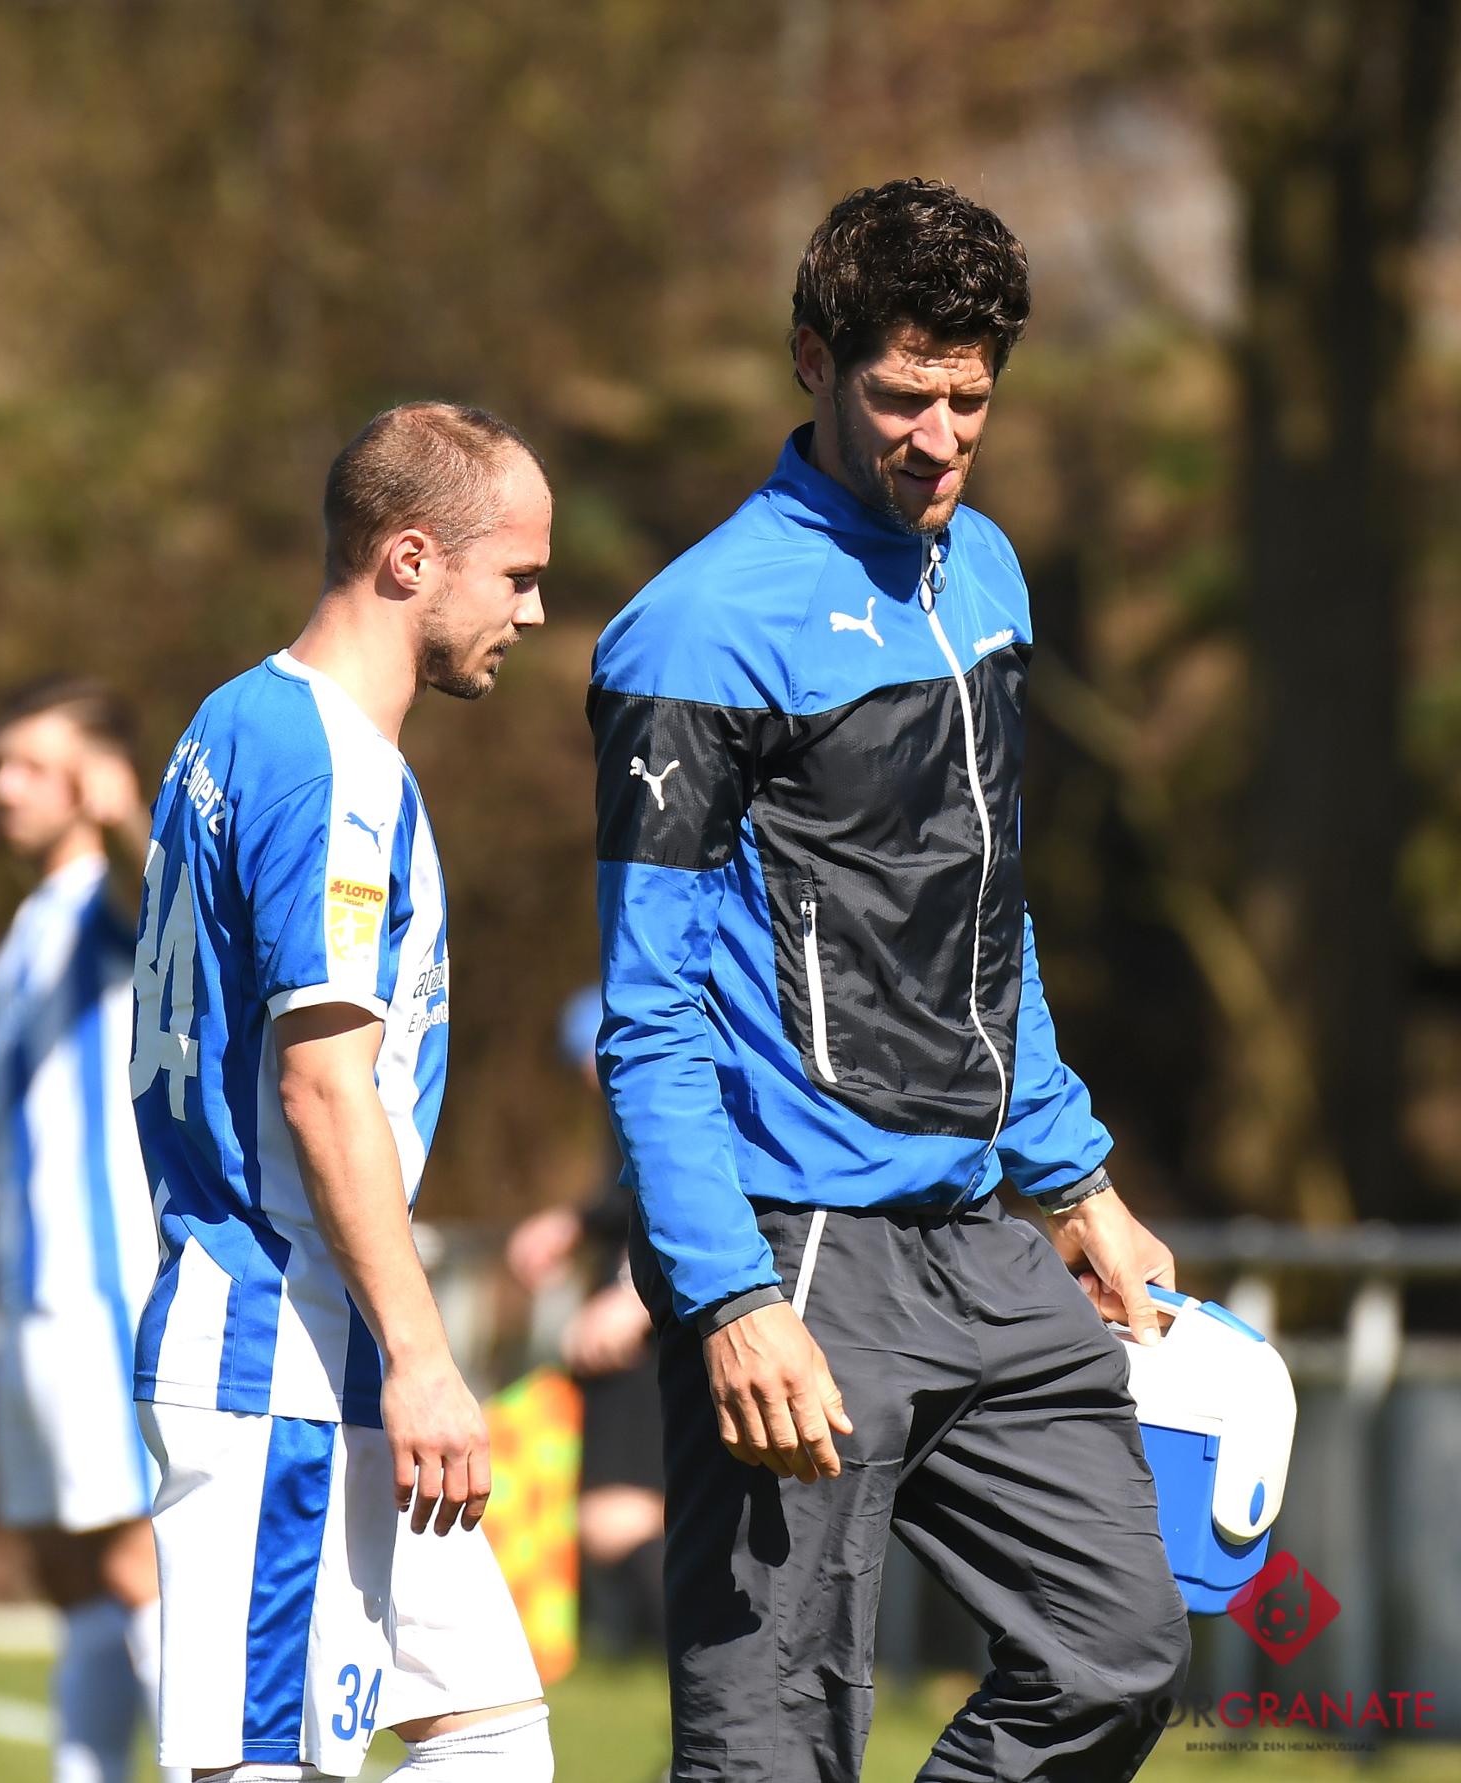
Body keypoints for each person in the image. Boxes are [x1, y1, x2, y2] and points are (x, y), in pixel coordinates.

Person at [589, 179, 1193, 1782]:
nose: (939, 438)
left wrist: (1073, 1176)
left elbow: (986, 914)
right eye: (903, 396)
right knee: (775, 1745)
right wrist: (727, 1296)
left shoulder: (984, 571)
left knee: (1118, 1651)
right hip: (796, 1245)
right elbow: (648, 1012)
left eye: (970, 400)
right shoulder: (696, 630)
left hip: (982, 1233)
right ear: (814, 360)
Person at [129, 402, 555, 1783]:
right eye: (517, 575)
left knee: (495, 1733)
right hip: (279, 1346)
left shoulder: (235, 717)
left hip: (326, 1340)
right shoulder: (331, 768)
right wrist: (427, 1355)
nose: (534, 612)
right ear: (412, 558)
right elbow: (322, 1086)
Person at [0, 677, 183, 1783]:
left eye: (30, 764)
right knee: (68, 1573)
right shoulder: (24, 934)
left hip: (101, 1292)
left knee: (135, 1562)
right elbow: (0, 1153)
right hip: (28, 1302)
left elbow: (180, 911)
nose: (2, 787)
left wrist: (128, 819)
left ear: (91, 777)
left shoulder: (113, 906)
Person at [504, 986, 665, 1653]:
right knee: (614, 1516)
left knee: (619, 1515)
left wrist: (633, 1292)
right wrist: (571, 1223)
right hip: (645, 1315)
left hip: (654, 1325)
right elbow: (628, 1197)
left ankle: (711, 1674)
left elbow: (678, 1191)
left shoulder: (660, 1088)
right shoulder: (628, 1101)